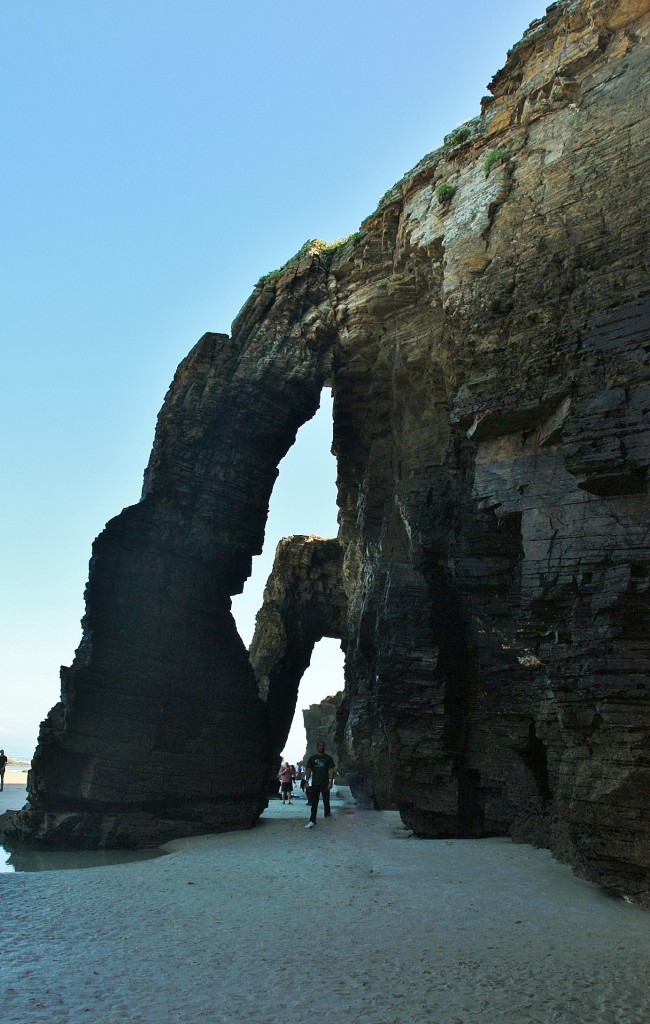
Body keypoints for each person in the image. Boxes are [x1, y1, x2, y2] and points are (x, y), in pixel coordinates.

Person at [304, 741, 335, 828]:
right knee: (314, 803)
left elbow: (331, 770)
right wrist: (306, 781)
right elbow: (308, 770)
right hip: (315, 783)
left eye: (323, 746)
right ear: (317, 747)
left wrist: (330, 782)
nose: (321, 747)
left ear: (324, 747)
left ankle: (328, 819)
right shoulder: (312, 758)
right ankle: (312, 820)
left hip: (325, 783)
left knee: (326, 802)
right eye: (320, 746)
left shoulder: (328, 758)